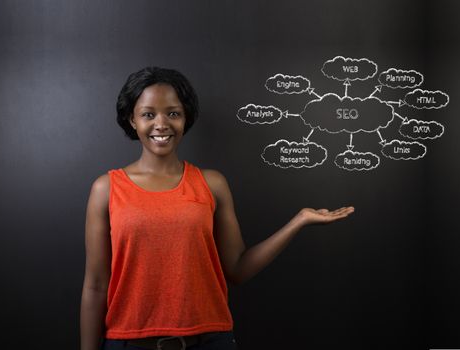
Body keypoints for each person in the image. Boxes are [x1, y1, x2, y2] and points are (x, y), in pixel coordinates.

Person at [80, 67, 354, 350]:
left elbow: (237, 269)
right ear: (132, 120)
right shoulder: (107, 189)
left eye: (173, 113)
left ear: (185, 118)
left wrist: (298, 221)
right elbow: (96, 286)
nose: (161, 123)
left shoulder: (211, 184)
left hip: (210, 341)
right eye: (148, 114)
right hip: (128, 343)